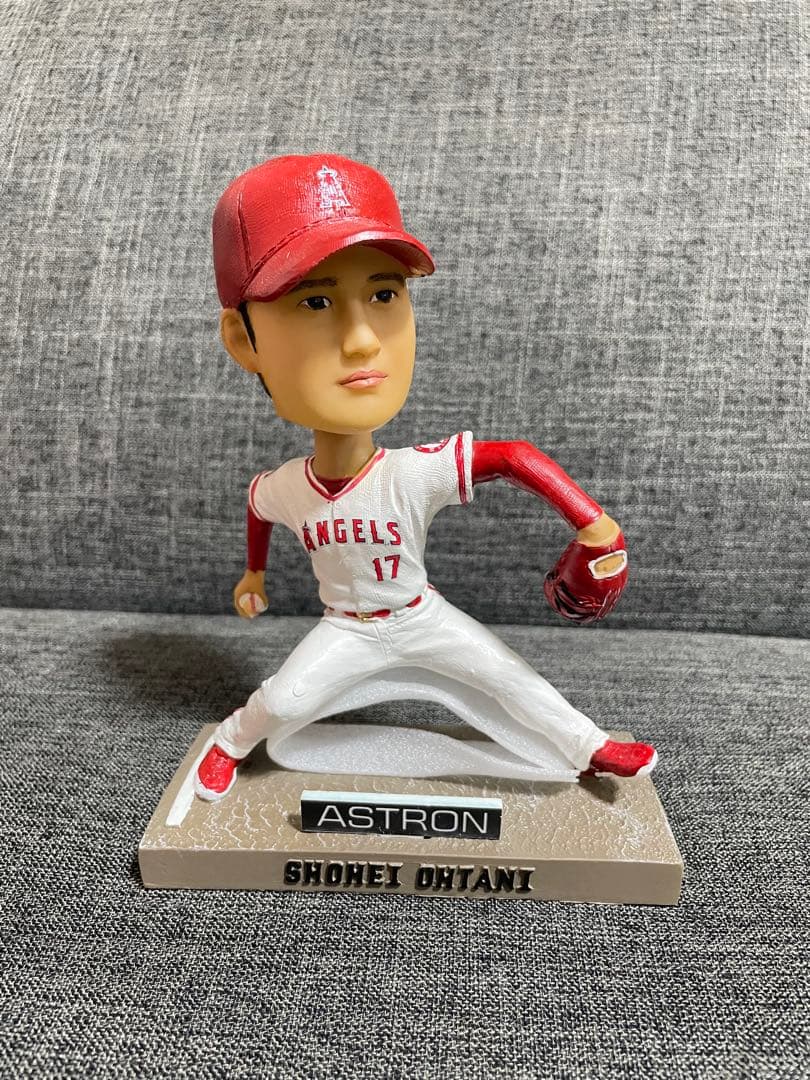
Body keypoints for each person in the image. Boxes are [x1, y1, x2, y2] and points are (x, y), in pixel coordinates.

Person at [196, 153, 657, 801]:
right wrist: (253, 573)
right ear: (244, 341)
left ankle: (592, 745)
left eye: (384, 294)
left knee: (506, 672)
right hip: (347, 626)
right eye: (316, 300)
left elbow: (511, 456)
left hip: (420, 614)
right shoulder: (290, 486)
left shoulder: (410, 473)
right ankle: (228, 743)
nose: (363, 340)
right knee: (283, 699)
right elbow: (259, 506)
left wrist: (593, 522)